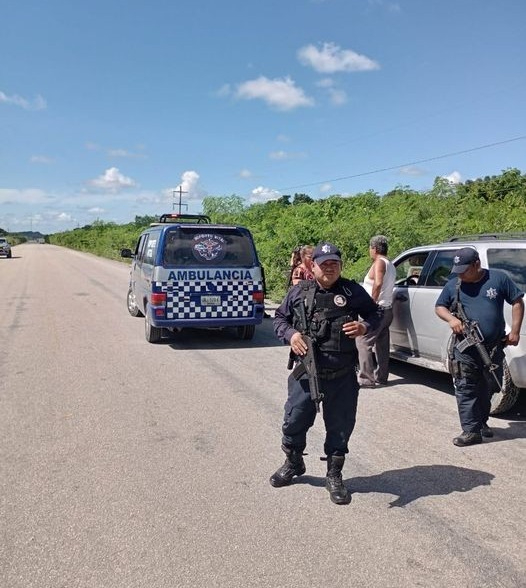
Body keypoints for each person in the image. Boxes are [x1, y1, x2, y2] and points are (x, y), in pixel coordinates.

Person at [270, 242, 381, 504]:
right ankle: (294, 462)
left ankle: (334, 474)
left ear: (341, 266)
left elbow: (376, 314)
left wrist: (364, 327)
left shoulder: (351, 291)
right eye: (324, 264)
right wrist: (292, 334)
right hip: (306, 374)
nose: (330, 268)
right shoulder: (299, 291)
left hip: (342, 375)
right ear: (313, 266)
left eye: (335, 264)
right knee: (294, 421)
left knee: (340, 428)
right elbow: (278, 319)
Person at [435, 247, 524, 446]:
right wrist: (451, 319)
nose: (460, 274)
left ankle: (481, 423)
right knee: (466, 387)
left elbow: (517, 302)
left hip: (492, 348)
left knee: (488, 386)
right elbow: (439, 306)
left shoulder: (498, 279)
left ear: (477, 264)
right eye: (457, 270)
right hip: (465, 349)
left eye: (464, 270)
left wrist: (515, 331)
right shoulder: (453, 286)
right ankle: (470, 431)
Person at [356, 235, 396, 387]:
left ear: (374, 248)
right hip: (387, 309)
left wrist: (371, 304)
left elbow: (378, 283)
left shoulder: (379, 262)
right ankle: (382, 377)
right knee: (382, 345)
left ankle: (366, 378)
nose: (369, 251)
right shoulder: (390, 264)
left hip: (378, 309)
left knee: (362, 341)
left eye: (370, 248)